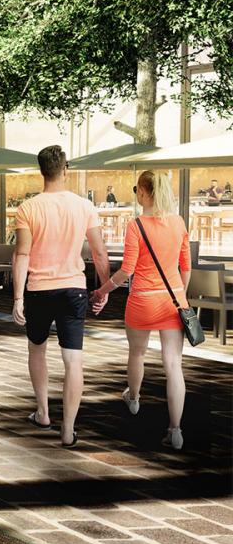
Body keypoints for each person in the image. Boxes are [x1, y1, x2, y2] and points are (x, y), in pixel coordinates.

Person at [11, 145, 110, 450]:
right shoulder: (84, 206)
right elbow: (99, 251)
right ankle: (68, 430)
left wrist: (17, 297)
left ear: (41, 171)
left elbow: (22, 254)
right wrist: (103, 288)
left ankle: (43, 413)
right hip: (74, 289)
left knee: (37, 351)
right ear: (65, 169)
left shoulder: (28, 208)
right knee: (73, 360)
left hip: (39, 290)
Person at [92, 171, 189, 450]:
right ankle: (176, 429)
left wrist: (103, 290)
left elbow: (127, 270)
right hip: (172, 301)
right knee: (173, 365)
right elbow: (186, 267)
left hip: (142, 300)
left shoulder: (136, 226)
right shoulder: (179, 222)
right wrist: (180, 296)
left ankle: (133, 398)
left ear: (144, 193)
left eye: (137, 189)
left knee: (137, 353)